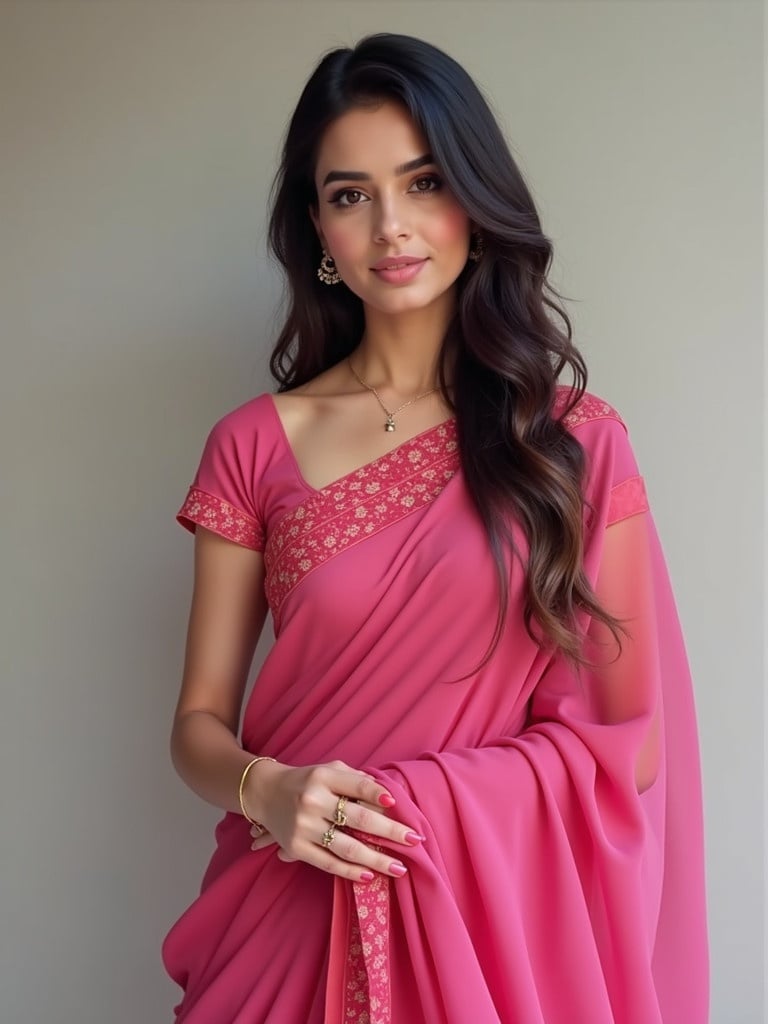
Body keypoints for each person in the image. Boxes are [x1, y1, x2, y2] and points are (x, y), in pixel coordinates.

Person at [161, 32, 708, 1024]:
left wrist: (426, 802)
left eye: (422, 182)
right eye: (349, 194)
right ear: (317, 230)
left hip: (482, 939)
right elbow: (197, 725)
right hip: (281, 913)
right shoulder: (251, 445)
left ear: (474, 200)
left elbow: (627, 742)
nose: (390, 226)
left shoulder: (572, 446)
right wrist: (266, 789)